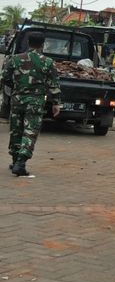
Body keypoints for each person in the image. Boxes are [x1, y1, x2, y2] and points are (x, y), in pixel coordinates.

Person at [2, 32, 61, 176]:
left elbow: (4, 78)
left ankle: (15, 159)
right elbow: (54, 85)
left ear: (28, 42)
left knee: (16, 129)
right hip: (35, 101)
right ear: (43, 44)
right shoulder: (47, 62)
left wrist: (16, 88)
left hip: (17, 100)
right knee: (30, 131)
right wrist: (56, 103)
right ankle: (21, 163)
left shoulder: (14, 59)